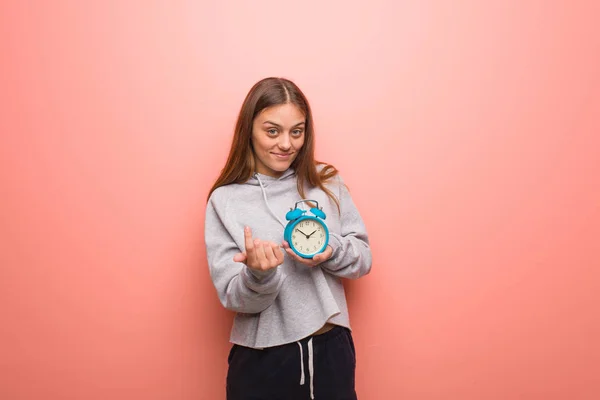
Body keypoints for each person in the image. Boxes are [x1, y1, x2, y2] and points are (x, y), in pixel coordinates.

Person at [204, 77, 372, 400]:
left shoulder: (325, 182)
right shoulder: (224, 201)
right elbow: (232, 297)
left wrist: (330, 250)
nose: (286, 144)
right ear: (248, 130)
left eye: (297, 131)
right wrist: (259, 275)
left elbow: (363, 257)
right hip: (261, 359)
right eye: (272, 131)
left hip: (330, 352)